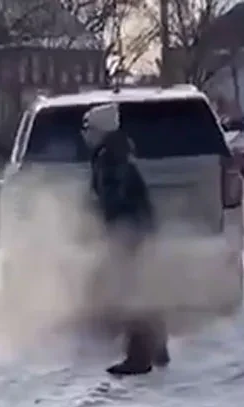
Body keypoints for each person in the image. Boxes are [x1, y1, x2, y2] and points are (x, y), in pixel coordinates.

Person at [82, 102, 169, 377]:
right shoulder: (116, 152)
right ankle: (157, 348)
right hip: (137, 229)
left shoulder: (110, 157)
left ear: (100, 130)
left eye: (88, 129)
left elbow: (113, 199)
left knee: (129, 292)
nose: (85, 135)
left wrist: (112, 228)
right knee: (138, 288)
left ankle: (139, 357)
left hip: (129, 232)